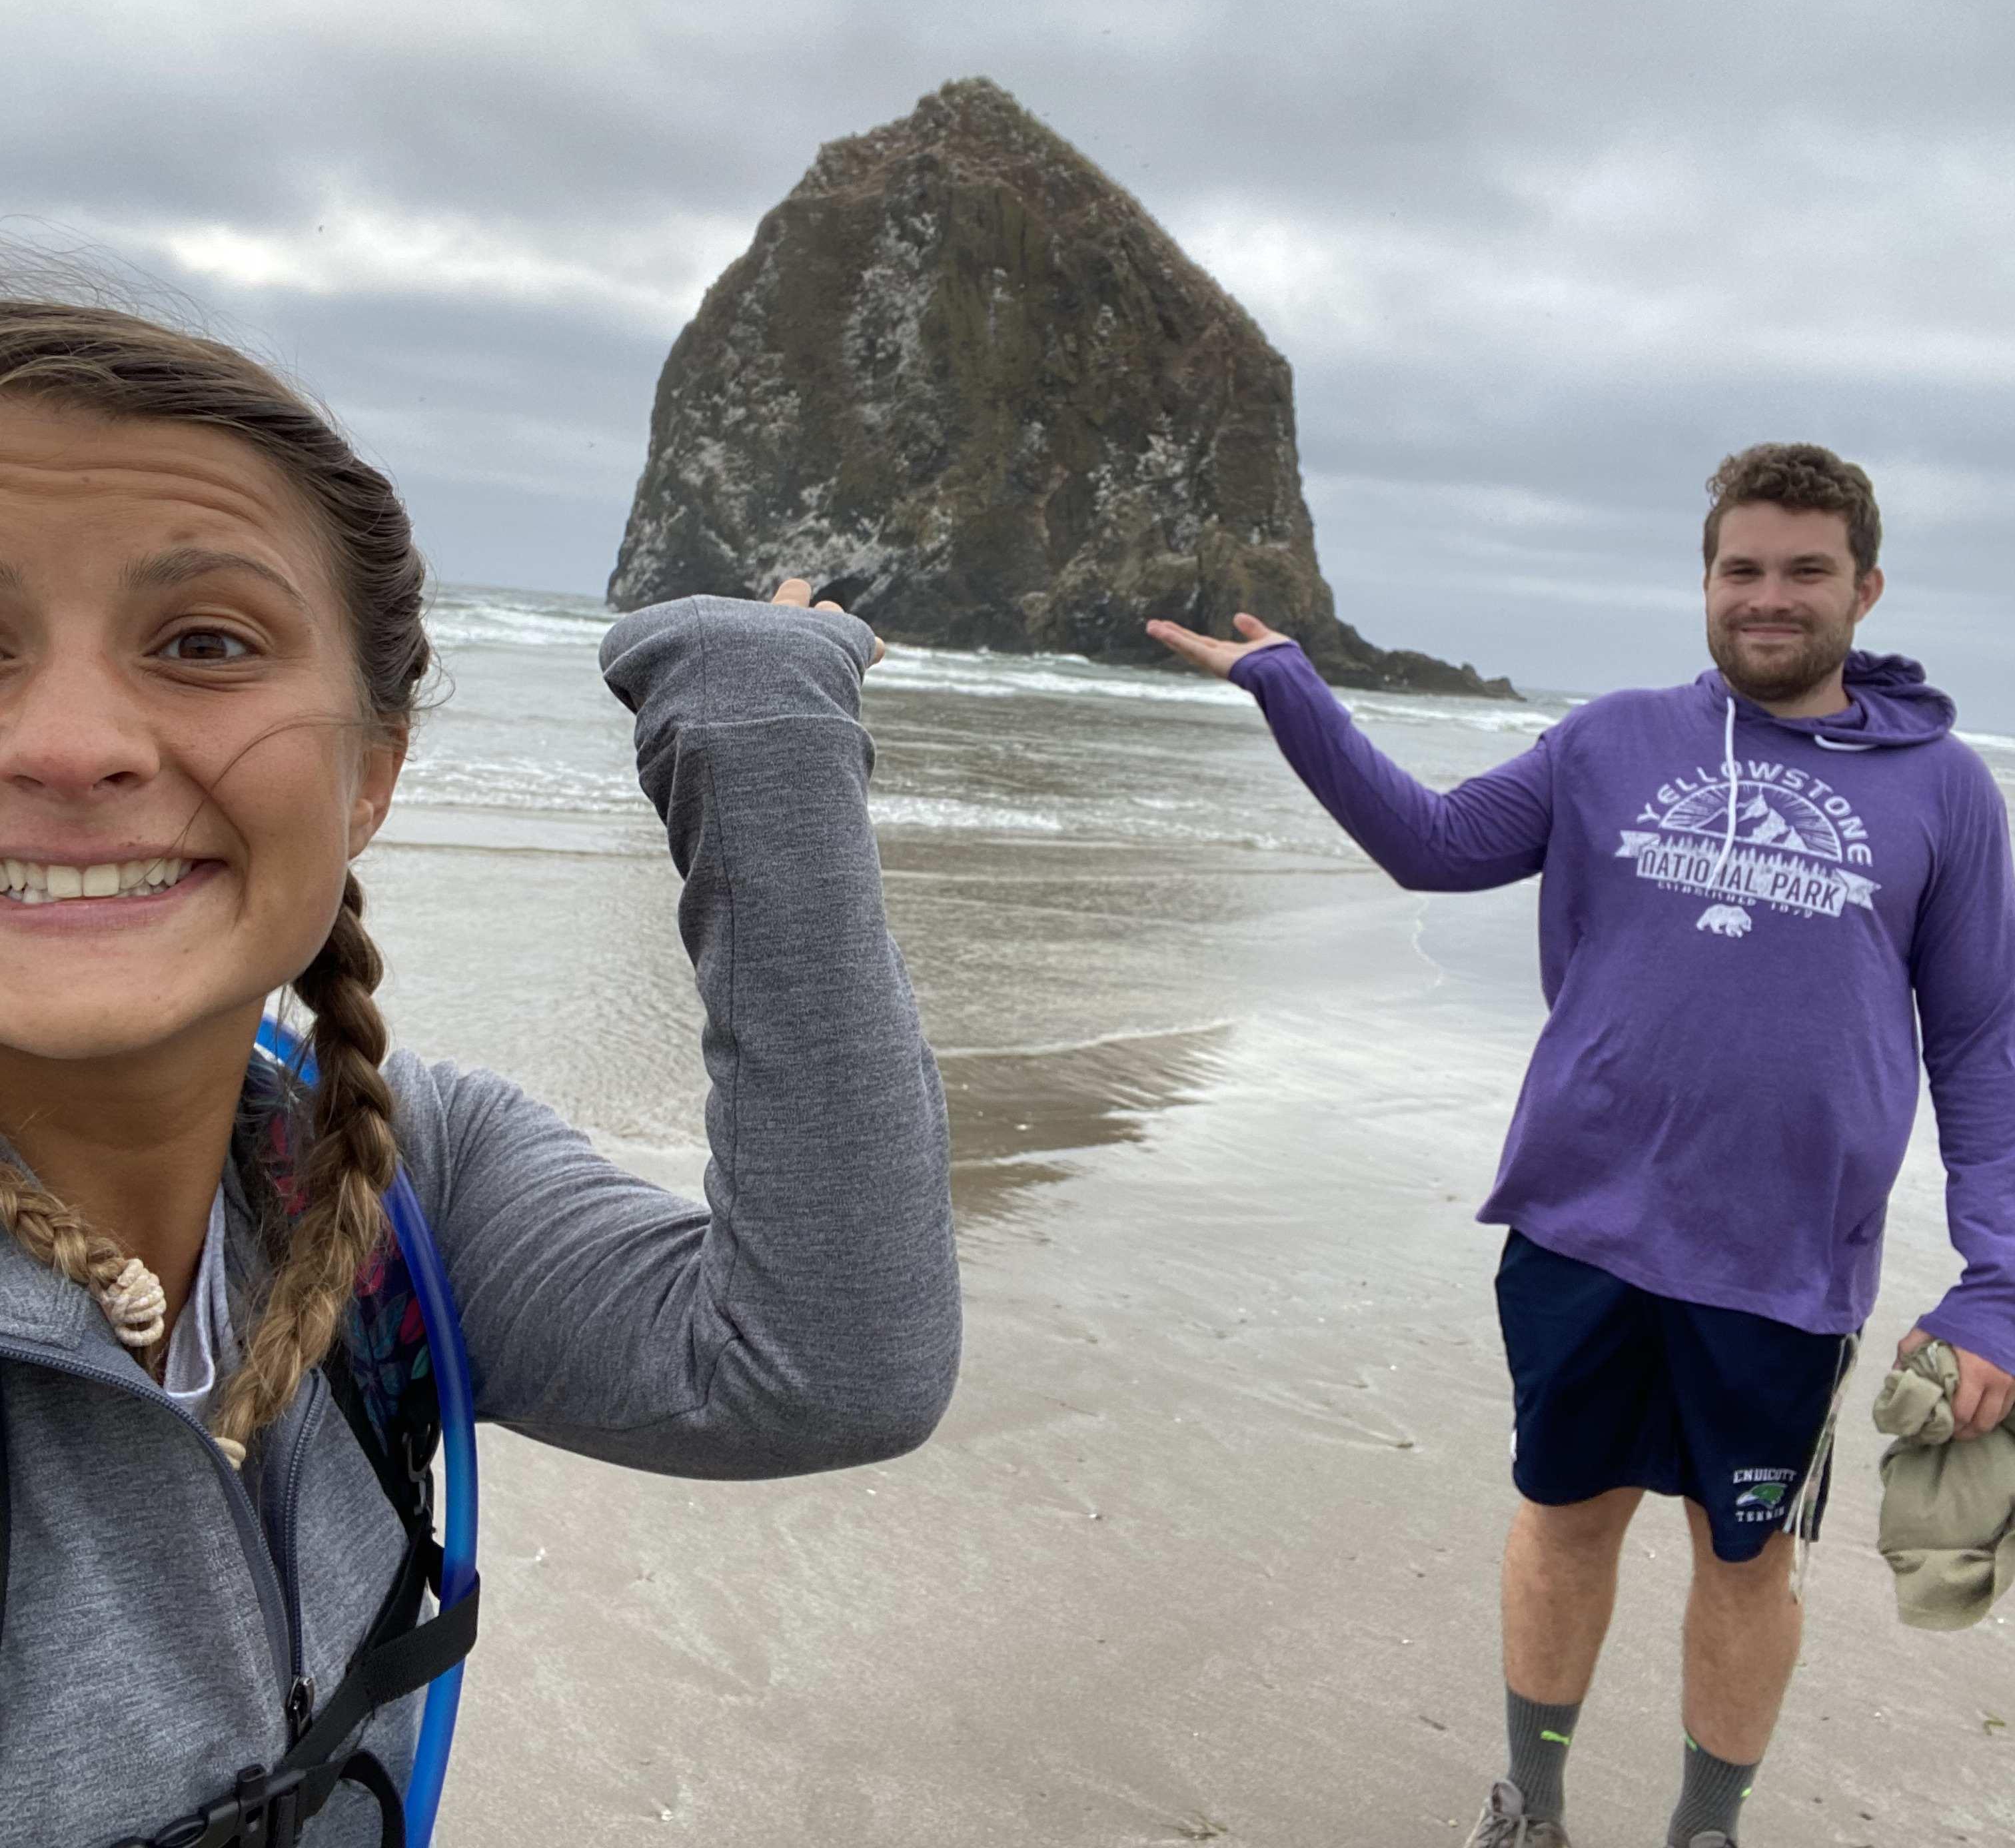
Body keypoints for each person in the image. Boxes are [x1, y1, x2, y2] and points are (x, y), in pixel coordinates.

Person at [0, 299, 961, 1845]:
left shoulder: (400, 1176)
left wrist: (763, 733)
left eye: (203, 644)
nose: (70, 744)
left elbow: (821, 1368)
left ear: (372, 770)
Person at [1149, 444, 2015, 1848]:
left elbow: (1984, 1044)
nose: (1770, 597)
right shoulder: (1611, 740)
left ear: (1865, 587)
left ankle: (1704, 1832)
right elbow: (1432, 844)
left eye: (1805, 571)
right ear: (1708, 582)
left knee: (1746, 1561)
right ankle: (1528, 1805)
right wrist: (1293, 696)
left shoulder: (1945, 793)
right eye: (1744, 569)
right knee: (1562, 1519)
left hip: (1784, 1262)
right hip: (1582, 1227)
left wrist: (1998, 1281)